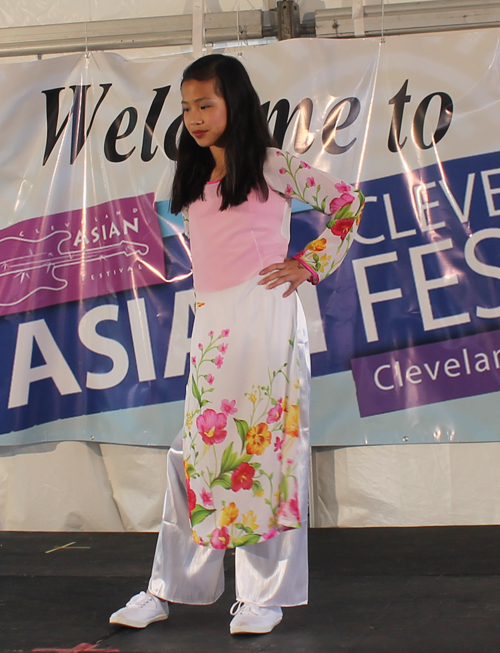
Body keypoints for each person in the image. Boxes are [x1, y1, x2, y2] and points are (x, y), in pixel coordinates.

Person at [110, 53, 364, 635]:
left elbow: (348, 202)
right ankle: (168, 588)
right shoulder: (194, 174)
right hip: (214, 324)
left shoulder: (274, 166)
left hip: (266, 319)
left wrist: (309, 263)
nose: (195, 117)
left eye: (206, 104)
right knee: (193, 455)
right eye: (187, 107)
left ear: (234, 103)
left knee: (266, 454)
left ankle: (263, 595)